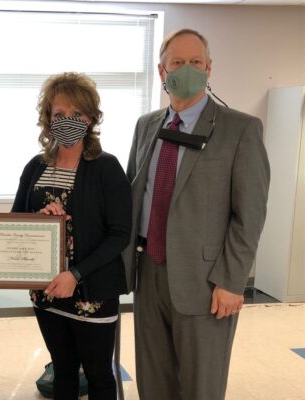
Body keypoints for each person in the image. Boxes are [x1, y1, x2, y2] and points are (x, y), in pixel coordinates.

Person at [123, 28, 270, 400]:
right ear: (161, 72)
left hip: (207, 284)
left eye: (196, 62)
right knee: (153, 383)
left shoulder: (240, 129)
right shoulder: (146, 127)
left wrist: (232, 281)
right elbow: (133, 196)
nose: (187, 69)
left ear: (209, 68)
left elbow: (249, 214)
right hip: (149, 274)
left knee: (200, 388)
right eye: (177, 62)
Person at [12, 72, 132, 400]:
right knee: (62, 371)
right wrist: (38, 219)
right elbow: (16, 223)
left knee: (98, 376)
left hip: (92, 292)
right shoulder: (35, 167)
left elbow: (119, 234)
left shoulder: (106, 167)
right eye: (59, 114)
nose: (67, 121)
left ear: (91, 118)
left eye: (76, 114)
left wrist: (75, 275)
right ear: (47, 120)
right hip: (47, 291)